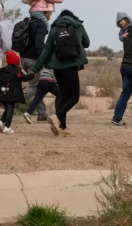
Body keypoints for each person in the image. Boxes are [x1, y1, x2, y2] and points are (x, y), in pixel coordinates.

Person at [32, 9, 90, 137]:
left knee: (64, 96)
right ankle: (57, 117)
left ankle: (62, 127)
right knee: (74, 97)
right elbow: (87, 43)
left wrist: (36, 69)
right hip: (71, 67)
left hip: (57, 68)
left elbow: (46, 51)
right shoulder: (77, 26)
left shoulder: (54, 29)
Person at [19, 0, 52, 122]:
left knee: (36, 86)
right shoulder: (41, 24)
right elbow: (39, 44)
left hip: (23, 57)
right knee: (35, 87)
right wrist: (45, 58)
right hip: (33, 59)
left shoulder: (29, 20)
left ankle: (42, 113)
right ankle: (8, 99)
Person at [0, 51, 35, 134]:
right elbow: (24, 77)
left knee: (7, 109)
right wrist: (33, 75)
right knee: (10, 111)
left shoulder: (2, 71)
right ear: (16, 60)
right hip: (11, 95)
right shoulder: (16, 71)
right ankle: (7, 127)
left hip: (2, 94)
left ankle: (1, 122)